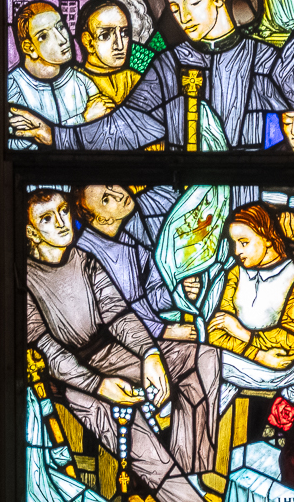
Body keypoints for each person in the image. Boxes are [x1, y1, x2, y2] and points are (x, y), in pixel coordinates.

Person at [11, 0, 294, 151]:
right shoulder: (170, 65)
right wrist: (57, 137)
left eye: (193, 2)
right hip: (185, 203)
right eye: (175, 9)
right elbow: (128, 126)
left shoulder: (261, 58)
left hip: (247, 198)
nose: (184, 17)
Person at [23, 188, 212, 502]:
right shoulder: (25, 279)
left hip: (112, 351)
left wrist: (150, 354)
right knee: (134, 434)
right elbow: (47, 350)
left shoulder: (85, 261)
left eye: (63, 211)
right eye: (47, 219)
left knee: (201, 358)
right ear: (31, 232)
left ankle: (191, 474)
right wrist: (99, 385)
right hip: (71, 382)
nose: (62, 222)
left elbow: (118, 315)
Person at [72, 184, 221, 463]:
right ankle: (185, 465)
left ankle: (193, 465)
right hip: (109, 351)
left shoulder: (131, 245)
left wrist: (179, 291)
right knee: (196, 366)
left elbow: (152, 295)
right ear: (98, 218)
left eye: (111, 185)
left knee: (208, 357)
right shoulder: (83, 255)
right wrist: (164, 331)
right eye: (106, 199)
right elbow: (111, 317)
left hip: (146, 341)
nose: (119, 194)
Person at [205, 204, 294, 413]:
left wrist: (242, 333)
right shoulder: (235, 274)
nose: (237, 251)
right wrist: (258, 354)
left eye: (244, 242)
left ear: (267, 237)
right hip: (243, 361)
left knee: (204, 361)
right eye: (234, 243)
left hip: (279, 369)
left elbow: (293, 341)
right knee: (207, 360)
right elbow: (216, 333)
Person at [6, 2, 107, 141]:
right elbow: (19, 143)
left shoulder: (82, 82)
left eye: (60, 27)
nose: (62, 39)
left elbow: (105, 135)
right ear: (30, 48)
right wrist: (83, 119)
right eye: (43, 36)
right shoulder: (12, 87)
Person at [77, 0, 142, 110]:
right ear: (88, 42)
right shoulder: (74, 82)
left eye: (124, 33)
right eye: (105, 35)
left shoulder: (134, 79)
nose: (119, 45)